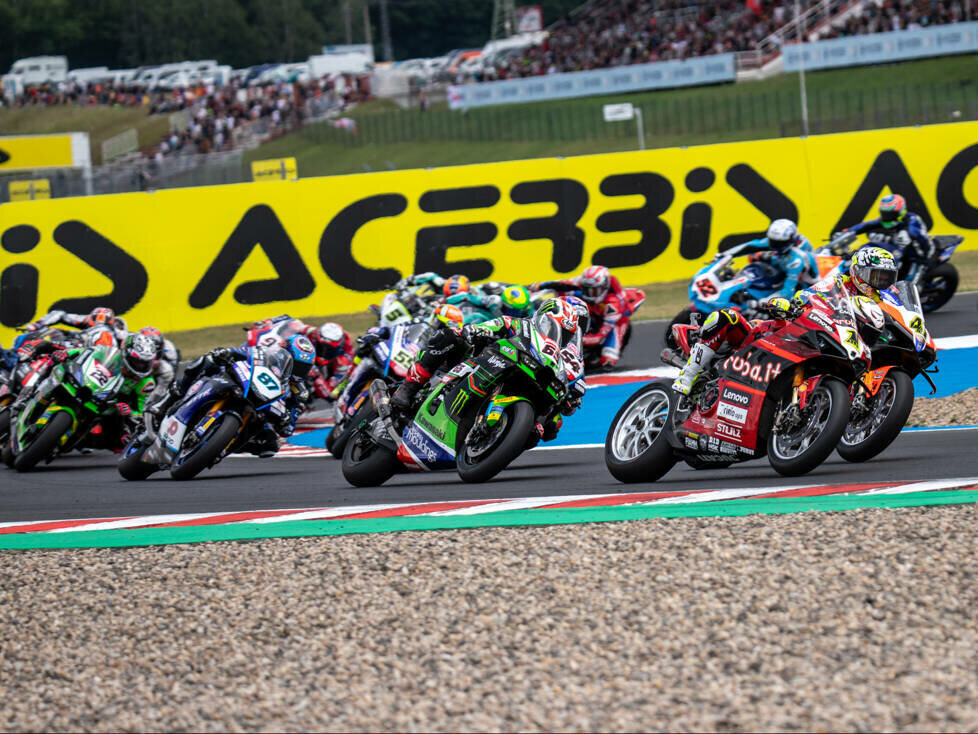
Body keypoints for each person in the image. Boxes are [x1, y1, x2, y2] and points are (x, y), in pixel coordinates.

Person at [670, 247, 898, 395]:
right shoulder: (837, 283)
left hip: (835, 348)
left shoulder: (882, 300)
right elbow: (809, 294)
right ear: (858, 271)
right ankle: (688, 375)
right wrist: (794, 305)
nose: (880, 283)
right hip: (794, 332)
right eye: (876, 276)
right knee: (725, 316)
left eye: (886, 278)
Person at [388, 298, 587, 440]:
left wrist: (572, 397)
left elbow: (574, 381)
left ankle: (496, 433)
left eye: (567, 335)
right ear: (542, 317)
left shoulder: (567, 355)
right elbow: (498, 323)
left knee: (550, 428)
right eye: (556, 328)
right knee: (449, 337)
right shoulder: (524, 325)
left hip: (526, 376)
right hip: (479, 359)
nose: (562, 336)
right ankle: (408, 389)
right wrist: (475, 330)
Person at [164, 336, 315, 457]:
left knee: (271, 445)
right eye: (297, 365)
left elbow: (288, 429)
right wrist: (225, 353)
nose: (299, 371)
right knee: (207, 361)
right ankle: (176, 393)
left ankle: (221, 446)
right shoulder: (264, 354)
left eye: (304, 368)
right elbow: (238, 352)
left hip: (261, 411)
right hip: (238, 384)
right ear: (284, 354)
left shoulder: (300, 393)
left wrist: (286, 420)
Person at [531, 265, 632, 370]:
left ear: (604, 287)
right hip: (591, 306)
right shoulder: (581, 281)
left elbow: (599, 336)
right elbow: (561, 283)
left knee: (608, 361)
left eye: (594, 291)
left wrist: (574, 338)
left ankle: (608, 353)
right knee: (567, 293)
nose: (590, 294)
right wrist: (538, 286)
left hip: (614, 319)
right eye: (586, 289)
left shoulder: (614, 304)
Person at [837, 194, 934, 282]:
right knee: (871, 246)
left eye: (890, 214)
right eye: (885, 214)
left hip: (918, 257)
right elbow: (868, 225)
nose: (887, 217)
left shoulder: (911, 224)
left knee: (909, 282)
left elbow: (899, 253)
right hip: (901, 248)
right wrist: (850, 231)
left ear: (901, 211)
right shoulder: (892, 220)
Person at [726, 218, 819, 301]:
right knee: (758, 257)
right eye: (772, 241)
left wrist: (764, 302)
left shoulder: (796, 260)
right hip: (784, 271)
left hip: (804, 284)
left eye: (778, 243)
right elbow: (750, 246)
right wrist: (725, 254)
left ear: (789, 241)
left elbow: (788, 291)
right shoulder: (779, 243)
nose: (774, 245)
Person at [302, 322, 355, 397]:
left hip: (335, 364)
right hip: (313, 354)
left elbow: (330, 393)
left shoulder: (344, 360)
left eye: (329, 349)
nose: (324, 351)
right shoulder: (313, 332)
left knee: (337, 392)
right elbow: (292, 325)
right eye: (321, 346)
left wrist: (316, 376)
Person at [23, 306, 128, 343]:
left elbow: (130, 338)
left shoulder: (118, 331)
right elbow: (59, 313)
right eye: (94, 325)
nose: (99, 326)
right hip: (82, 342)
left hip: (104, 356)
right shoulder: (84, 319)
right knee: (54, 332)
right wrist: (38, 324)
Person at [447, 283, 535, 321]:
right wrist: (445, 301)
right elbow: (465, 296)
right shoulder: (494, 301)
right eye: (513, 309)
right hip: (486, 322)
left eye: (519, 309)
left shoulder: (529, 309)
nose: (517, 312)